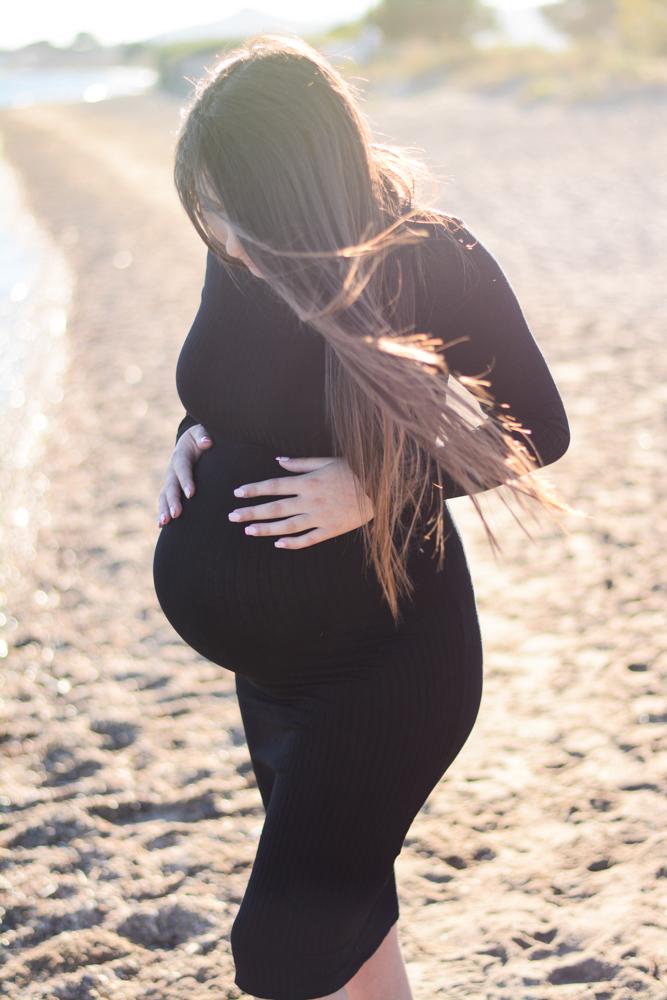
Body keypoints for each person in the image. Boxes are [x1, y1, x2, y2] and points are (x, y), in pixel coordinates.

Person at [152, 33, 571, 1000]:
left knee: (280, 950)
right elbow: (232, 379)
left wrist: (380, 487)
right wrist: (191, 436)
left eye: (229, 203)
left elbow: (539, 429)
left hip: (387, 661)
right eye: (203, 206)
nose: (216, 228)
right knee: (348, 935)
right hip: (275, 675)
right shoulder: (242, 248)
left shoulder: (426, 255)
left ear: (293, 189)